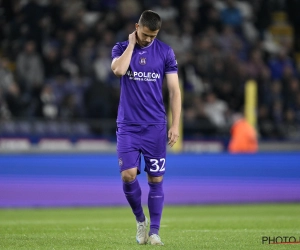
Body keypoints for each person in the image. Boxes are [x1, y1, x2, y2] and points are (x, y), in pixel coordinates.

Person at [111, 10, 181, 246]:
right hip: (128, 125)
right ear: (137, 27)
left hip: (155, 126)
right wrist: (132, 45)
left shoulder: (166, 52)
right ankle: (140, 220)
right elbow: (119, 70)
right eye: (145, 34)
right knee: (128, 174)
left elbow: (174, 90)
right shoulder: (121, 48)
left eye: (153, 35)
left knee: (156, 179)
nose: (148, 39)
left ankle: (155, 232)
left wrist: (176, 124)